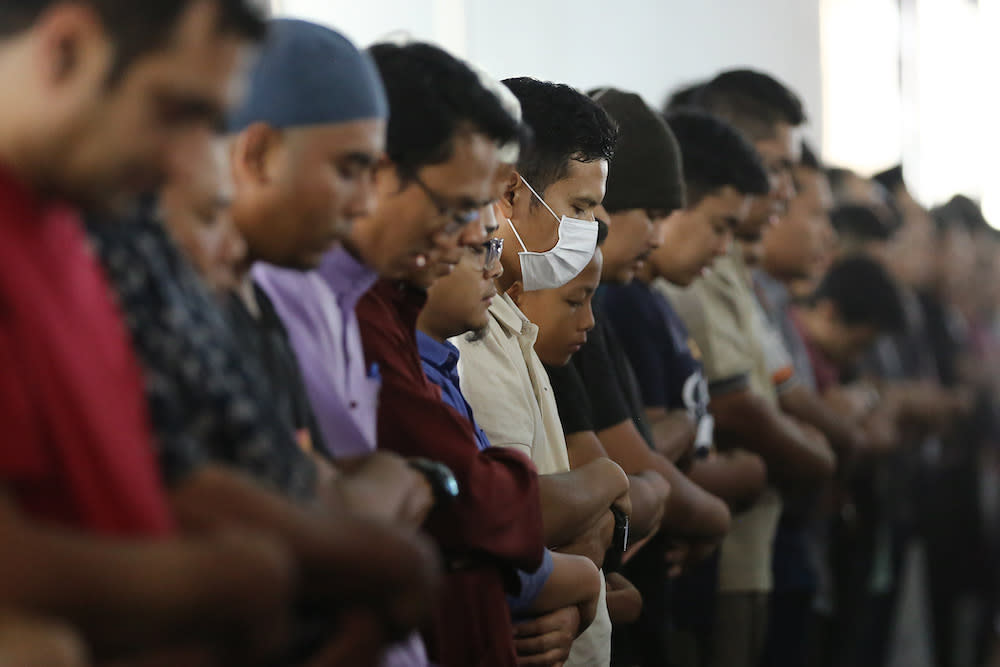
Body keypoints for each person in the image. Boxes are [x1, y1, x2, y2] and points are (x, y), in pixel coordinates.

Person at [91, 20, 443, 665]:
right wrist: (365, 548)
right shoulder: (129, 270)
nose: (363, 204)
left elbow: (303, 480)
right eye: (349, 168)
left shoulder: (248, 293)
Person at [0, 2, 310, 663]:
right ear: (67, 50)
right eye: (174, 111)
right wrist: (233, 576)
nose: (183, 161)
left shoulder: (68, 217)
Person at [340, 42, 551, 667]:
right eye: (454, 207)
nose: (468, 235)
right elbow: (473, 505)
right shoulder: (357, 311)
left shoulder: (385, 307)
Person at [542, 91, 728, 667]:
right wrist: (701, 506)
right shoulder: (558, 310)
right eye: (650, 214)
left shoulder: (600, 306)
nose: (656, 235)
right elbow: (618, 467)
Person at [456, 77, 632, 667]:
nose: (587, 229)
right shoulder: (465, 331)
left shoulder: (505, 310)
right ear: (511, 191)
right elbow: (517, 517)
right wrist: (609, 479)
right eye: (579, 208)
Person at [666, 69, 836, 667]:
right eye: (777, 166)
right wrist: (815, 457)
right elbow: (737, 406)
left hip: (751, 554)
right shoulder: (704, 269)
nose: (786, 188)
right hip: (722, 560)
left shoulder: (734, 269)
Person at [601, 108, 771, 667]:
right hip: (643, 582)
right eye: (655, 213)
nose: (724, 249)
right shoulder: (615, 301)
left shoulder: (650, 301)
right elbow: (637, 452)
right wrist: (718, 504)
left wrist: (674, 429)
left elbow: (663, 435)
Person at [416, 207, 605, 662]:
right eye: (481, 247)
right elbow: (504, 521)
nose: (496, 266)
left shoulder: (445, 359)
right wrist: (584, 580)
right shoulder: (463, 351)